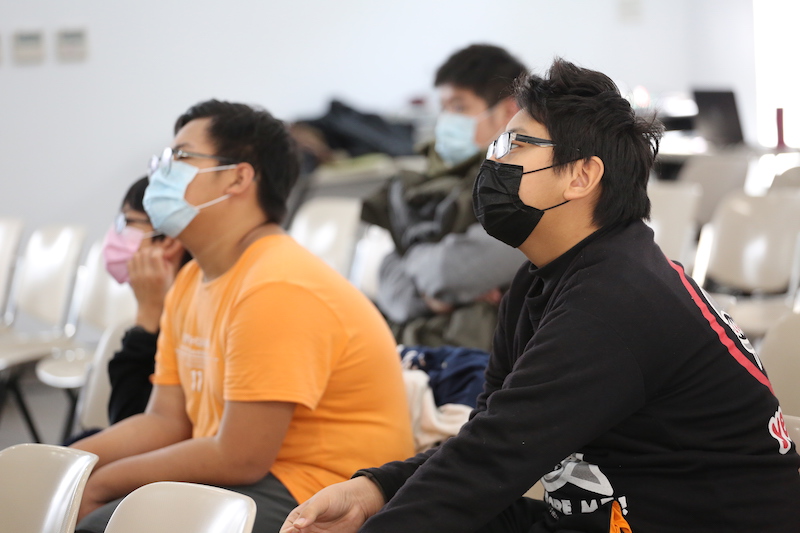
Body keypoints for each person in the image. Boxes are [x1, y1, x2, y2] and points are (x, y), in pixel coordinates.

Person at [280, 59, 800, 533]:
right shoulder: (540, 281)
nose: (492, 164)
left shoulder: (618, 299)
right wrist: (375, 491)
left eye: (515, 146)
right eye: (495, 148)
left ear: (581, 175)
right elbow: (490, 437)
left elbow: (495, 459)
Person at [73, 99, 414, 533]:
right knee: (79, 491)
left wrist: (104, 481)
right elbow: (165, 421)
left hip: (322, 491)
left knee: (106, 522)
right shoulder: (193, 278)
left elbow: (241, 456)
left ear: (238, 177)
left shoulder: (276, 284)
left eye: (180, 158)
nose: (161, 174)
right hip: (259, 474)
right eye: (164, 160)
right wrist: (72, 461)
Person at [361, 44, 527, 352]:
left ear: (508, 111)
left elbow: (449, 271)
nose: (447, 120)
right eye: (444, 108)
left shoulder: (528, 184)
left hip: (484, 359)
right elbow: (388, 279)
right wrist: (430, 299)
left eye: (460, 107)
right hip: (416, 350)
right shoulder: (431, 184)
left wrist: (414, 259)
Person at [101, 176, 190, 424]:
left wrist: (148, 315)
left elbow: (129, 419)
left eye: (126, 222)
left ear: (169, 239)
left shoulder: (189, 314)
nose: (115, 235)